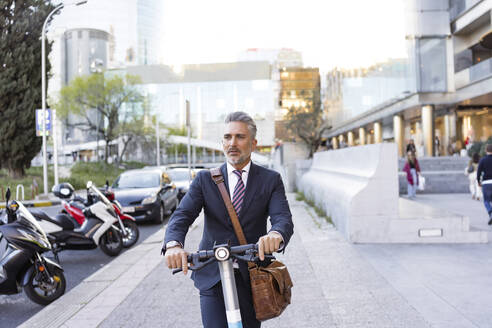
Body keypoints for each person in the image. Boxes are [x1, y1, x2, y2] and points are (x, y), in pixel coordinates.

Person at [163, 111, 294, 328]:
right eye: (227, 137)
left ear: (253, 143)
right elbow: (182, 215)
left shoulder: (270, 180)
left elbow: (283, 218)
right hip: (212, 274)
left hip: (252, 277)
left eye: (240, 137)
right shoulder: (205, 179)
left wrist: (275, 234)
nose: (232, 143)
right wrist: (173, 245)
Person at [477, 144, 492, 225]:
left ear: (486, 150)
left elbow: (479, 172)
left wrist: (478, 181)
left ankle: (490, 212)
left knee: (486, 201)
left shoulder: (483, 160)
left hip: (486, 183)